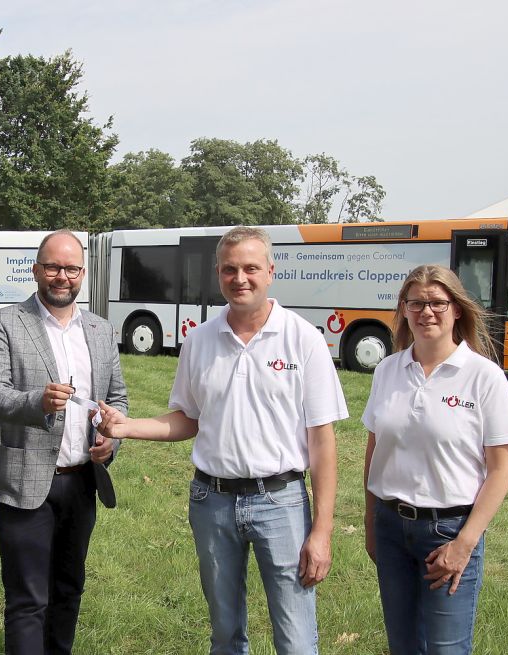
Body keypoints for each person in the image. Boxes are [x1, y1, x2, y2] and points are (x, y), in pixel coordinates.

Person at [96, 226, 347, 654]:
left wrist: (321, 532)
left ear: (270, 271)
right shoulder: (199, 340)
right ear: (218, 274)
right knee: (225, 634)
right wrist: (124, 427)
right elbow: (186, 421)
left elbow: (322, 443)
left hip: (281, 502)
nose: (240, 278)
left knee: (297, 638)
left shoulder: (303, 339)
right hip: (212, 503)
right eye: (230, 269)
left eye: (251, 268)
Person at [0, 229, 128, 655]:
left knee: (69, 589)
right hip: (23, 481)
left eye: (72, 268)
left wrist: (111, 442)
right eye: (54, 267)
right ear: (37, 270)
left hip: (82, 482)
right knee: (27, 600)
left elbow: (116, 398)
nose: (63, 276)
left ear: (83, 273)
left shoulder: (99, 329)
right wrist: (35, 400)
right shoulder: (3, 322)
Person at [362, 264, 508, 655]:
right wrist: (370, 522)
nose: (425, 312)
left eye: (436, 302)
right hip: (390, 527)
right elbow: (374, 452)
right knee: (403, 646)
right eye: (415, 303)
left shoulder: (483, 377)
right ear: (403, 309)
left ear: (456, 309)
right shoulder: (388, 370)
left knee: (446, 649)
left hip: (449, 532)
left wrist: (464, 544)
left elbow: (501, 470)